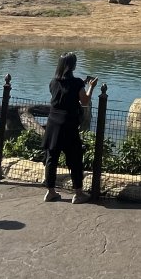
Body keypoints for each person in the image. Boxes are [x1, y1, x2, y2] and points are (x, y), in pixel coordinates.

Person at [42, 52, 96, 204]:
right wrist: (90, 87)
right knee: (75, 159)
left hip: (52, 123)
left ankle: (50, 192)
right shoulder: (76, 82)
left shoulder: (53, 82)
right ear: (73, 65)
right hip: (68, 124)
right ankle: (78, 193)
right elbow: (84, 101)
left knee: (51, 158)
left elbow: (63, 94)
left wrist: (81, 85)